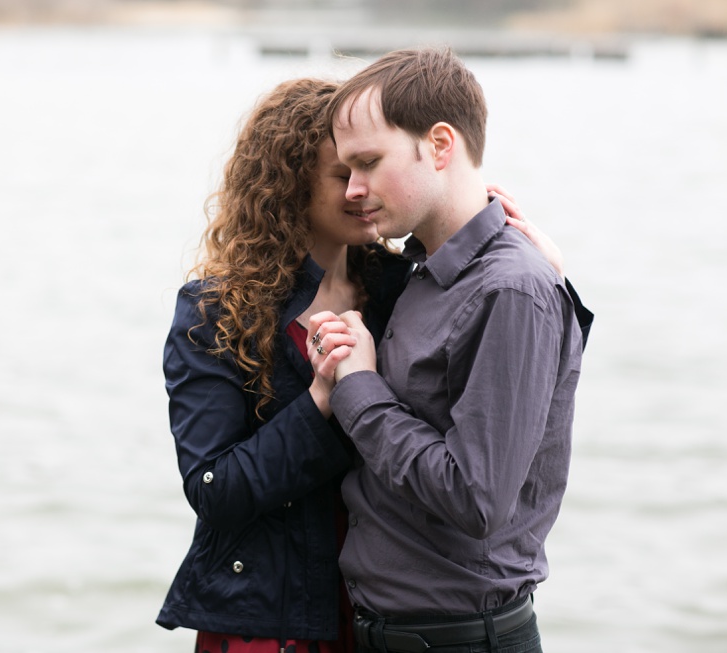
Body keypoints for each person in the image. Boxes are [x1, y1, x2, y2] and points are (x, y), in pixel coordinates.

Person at [157, 77, 590, 653]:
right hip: (273, 619)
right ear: (289, 188)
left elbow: (500, 395)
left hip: (388, 611)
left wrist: (552, 285)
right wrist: (320, 402)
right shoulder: (218, 309)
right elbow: (215, 490)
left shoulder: (397, 284)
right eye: (344, 175)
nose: (362, 189)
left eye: (368, 166)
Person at [308, 47, 587, 653]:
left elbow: (475, 498)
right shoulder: (423, 272)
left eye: (368, 163)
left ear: (439, 145)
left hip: (459, 641)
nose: (353, 189)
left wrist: (359, 387)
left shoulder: (513, 287)